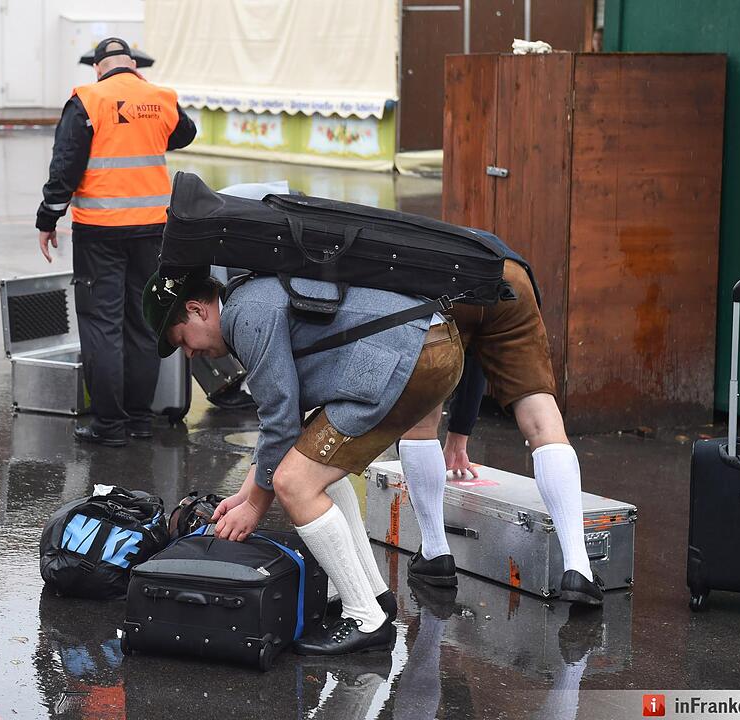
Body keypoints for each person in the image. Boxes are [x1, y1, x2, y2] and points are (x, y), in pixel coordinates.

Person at [143, 271, 465, 655]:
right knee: (313, 468)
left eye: (182, 341)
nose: (190, 353)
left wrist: (254, 509)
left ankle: (366, 619)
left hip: (410, 354)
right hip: (425, 343)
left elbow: (280, 421)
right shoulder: (248, 303)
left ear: (197, 311)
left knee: (295, 483)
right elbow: (284, 419)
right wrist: (245, 494)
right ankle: (374, 597)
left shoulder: (245, 315)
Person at [412, 233, 602, 606]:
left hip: (442, 283)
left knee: (419, 418)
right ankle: (579, 569)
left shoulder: (429, 251)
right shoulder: (490, 247)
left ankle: (435, 554)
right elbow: (480, 352)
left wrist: (454, 432)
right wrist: (460, 435)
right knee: (542, 419)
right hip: (512, 277)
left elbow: (466, 356)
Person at [36, 37, 196, 447]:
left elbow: (65, 165)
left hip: (100, 232)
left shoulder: (87, 100)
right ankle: (141, 420)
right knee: (144, 322)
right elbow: (183, 134)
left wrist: (48, 217)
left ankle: (110, 426)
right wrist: (144, 103)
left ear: (97, 67)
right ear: (133, 65)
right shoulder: (159, 98)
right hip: (153, 229)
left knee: (102, 325)